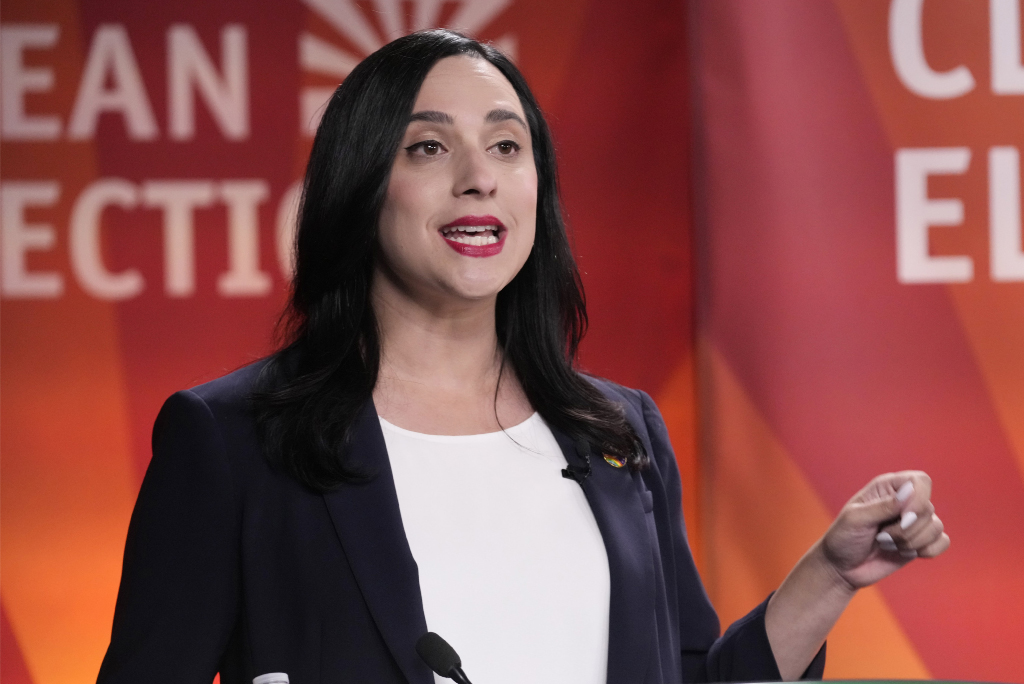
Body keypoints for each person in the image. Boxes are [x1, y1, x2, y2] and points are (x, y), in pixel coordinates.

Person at [96, 29, 949, 684]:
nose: (481, 177)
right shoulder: (235, 440)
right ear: (360, 185)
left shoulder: (618, 434)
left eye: (508, 146)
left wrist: (830, 576)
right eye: (428, 147)